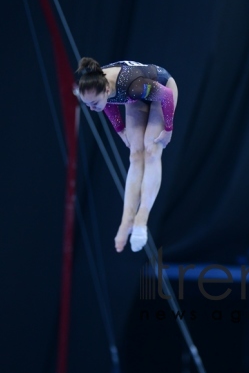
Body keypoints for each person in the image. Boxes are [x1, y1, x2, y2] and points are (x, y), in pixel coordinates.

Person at [76, 57, 178, 253]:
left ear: (106, 90)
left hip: (162, 87)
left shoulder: (131, 85)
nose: (91, 108)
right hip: (133, 96)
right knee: (135, 154)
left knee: (151, 149)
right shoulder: (97, 83)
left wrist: (168, 129)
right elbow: (106, 103)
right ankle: (126, 221)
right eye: (87, 104)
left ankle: (142, 218)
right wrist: (120, 130)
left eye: (94, 103)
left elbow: (166, 96)